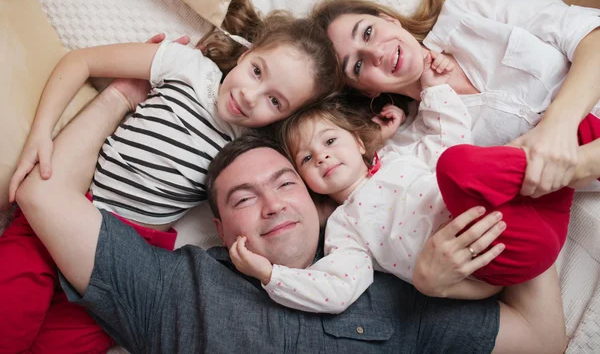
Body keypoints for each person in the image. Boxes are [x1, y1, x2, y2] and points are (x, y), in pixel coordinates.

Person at [14, 84, 566, 353]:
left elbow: (542, 340)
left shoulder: (394, 282)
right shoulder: (174, 287)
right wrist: (119, 95)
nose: (274, 203)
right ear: (221, 231)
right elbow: (43, 195)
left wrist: (459, 276)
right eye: (242, 199)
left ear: (316, 198)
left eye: (285, 182)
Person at [0, 0, 342, 353]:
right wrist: (41, 132)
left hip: (130, 253)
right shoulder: (186, 66)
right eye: (256, 71)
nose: (249, 96)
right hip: (64, 209)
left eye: (274, 101)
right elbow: (80, 62)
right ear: (245, 54)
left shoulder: (252, 146)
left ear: (282, 118)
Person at [227, 60, 599, 315]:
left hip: (537, 206)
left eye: (328, 142)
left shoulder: (397, 156)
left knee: (574, 130)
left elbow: (449, 133)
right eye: (306, 160)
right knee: (457, 165)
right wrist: (271, 275)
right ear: (306, 183)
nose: (321, 157)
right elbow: (337, 289)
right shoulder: (344, 227)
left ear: (359, 143)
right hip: (502, 250)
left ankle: (583, 160)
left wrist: (433, 89)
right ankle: (574, 164)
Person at [309, 0, 600, 198]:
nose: (376, 53)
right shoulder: (420, 141)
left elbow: (591, 34)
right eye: (357, 66)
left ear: (389, 19)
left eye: (368, 32)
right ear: (366, 91)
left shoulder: (465, 12)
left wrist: (556, 127)